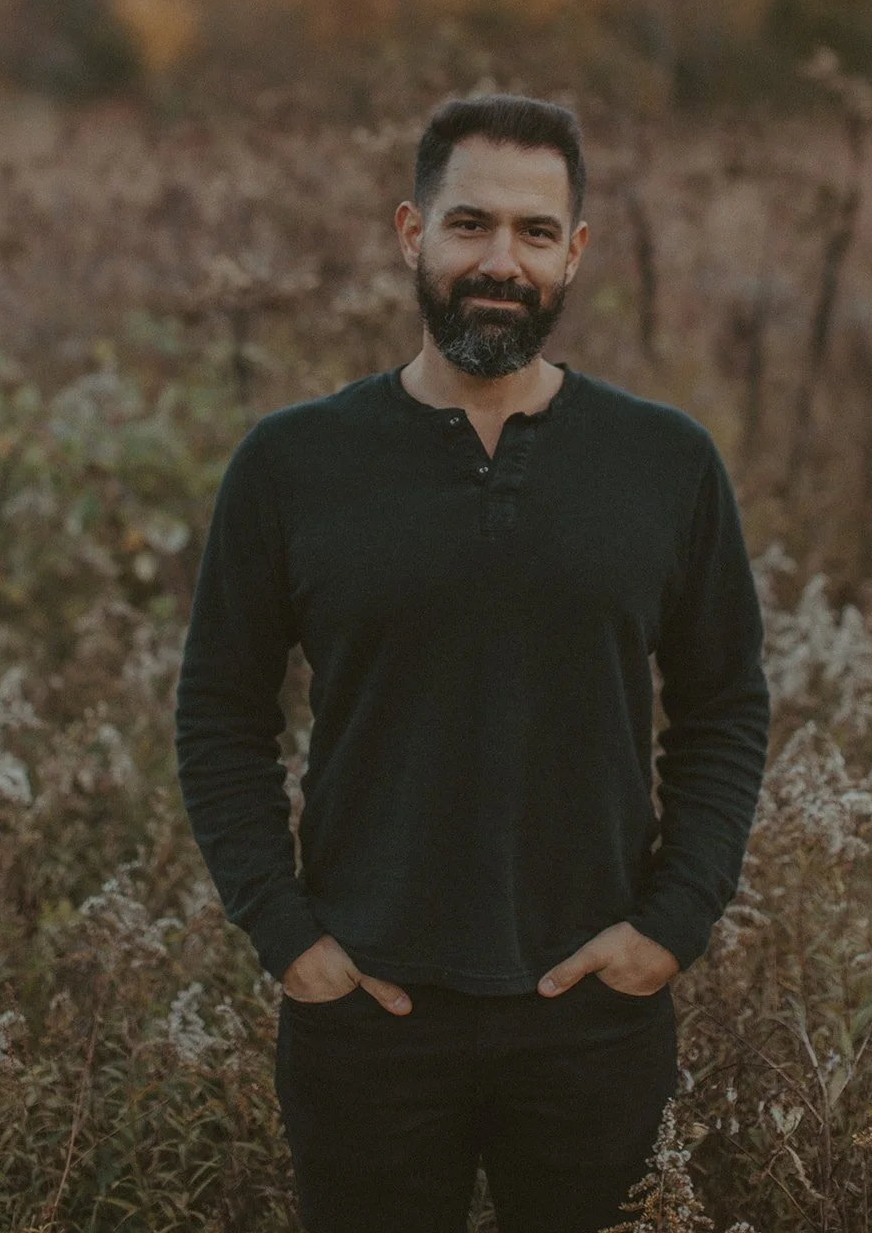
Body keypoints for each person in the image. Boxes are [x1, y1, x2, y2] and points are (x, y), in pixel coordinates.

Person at [175, 93, 770, 1233]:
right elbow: (218, 712)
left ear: (574, 253)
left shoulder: (664, 462)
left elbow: (723, 704)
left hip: (595, 1012)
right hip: (365, 1016)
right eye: (469, 224)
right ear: (411, 232)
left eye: (534, 232)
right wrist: (289, 939)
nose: (500, 260)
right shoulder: (292, 464)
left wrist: (669, 928)